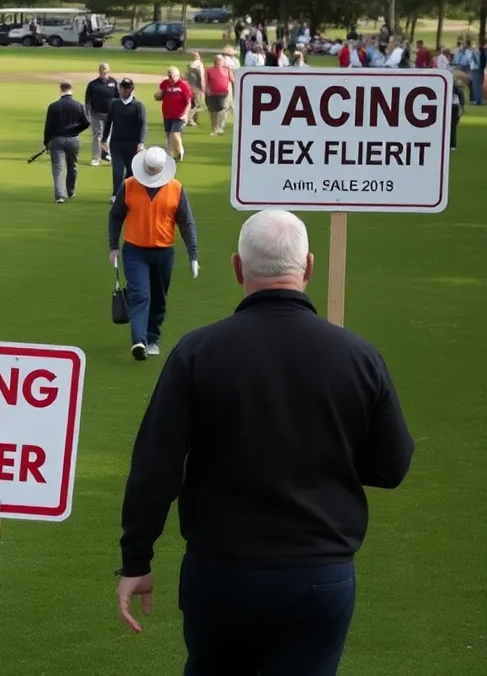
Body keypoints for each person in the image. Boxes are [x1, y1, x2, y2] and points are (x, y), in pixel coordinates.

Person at [116, 209, 414, 675]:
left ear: (238, 268)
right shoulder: (358, 356)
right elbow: (392, 466)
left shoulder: (197, 351)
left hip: (222, 573)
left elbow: (157, 465)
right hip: (320, 574)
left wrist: (136, 557)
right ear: (309, 267)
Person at [108, 147, 198, 360]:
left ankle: (153, 337)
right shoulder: (129, 186)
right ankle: (139, 340)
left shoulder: (176, 188)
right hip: (134, 251)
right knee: (140, 295)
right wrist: (113, 246)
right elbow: (115, 216)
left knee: (159, 298)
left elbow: (186, 223)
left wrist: (193, 254)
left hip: (164, 252)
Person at [43, 81, 90, 203]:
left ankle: (60, 195)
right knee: (72, 166)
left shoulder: (53, 106)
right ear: (71, 90)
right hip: (73, 140)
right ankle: (71, 191)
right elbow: (86, 122)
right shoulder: (78, 105)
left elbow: (48, 126)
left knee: (58, 168)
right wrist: (76, 130)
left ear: (60, 90)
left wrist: (46, 142)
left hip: (57, 140)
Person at [102, 77, 147, 203]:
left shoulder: (138, 106)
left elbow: (143, 124)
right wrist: (104, 140)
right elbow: (108, 122)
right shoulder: (114, 104)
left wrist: (141, 142)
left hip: (132, 144)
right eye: (122, 87)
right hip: (117, 143)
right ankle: (116, 194)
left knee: (131, 171)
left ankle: (128, 194)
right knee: (117, 170)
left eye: (127, 88)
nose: (124, 90)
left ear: (131, 89)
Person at [154, 66, 192, 162]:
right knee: (168, 134)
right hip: (167, 113)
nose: (170, 79)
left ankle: (179, 151)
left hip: (179, 115)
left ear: (177, 76)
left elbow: (188, 101)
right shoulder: (165, 84)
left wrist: (185, 114)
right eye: (169, 76)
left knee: (174, 133)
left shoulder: (183, 86)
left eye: (172, 77)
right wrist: (158, 95)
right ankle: (170, 153)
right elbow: (160, 94)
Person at [84, 63, 119, 167]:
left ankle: (108, 154)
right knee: (97, 136)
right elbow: (87, 100)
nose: (104, 73)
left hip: (110, 114)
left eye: (106, 71)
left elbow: (117, 97)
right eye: (103, 71)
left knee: (109, 136)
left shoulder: (113, 82)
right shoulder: (93, 84)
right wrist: (87, 113)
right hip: (96, 114)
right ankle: (96, 158)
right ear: (99, 72)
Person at [204, 54, 233, 136]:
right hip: (212, 94)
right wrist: (206, 90)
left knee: (223, 109)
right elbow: (205, 82)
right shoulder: (209, 70)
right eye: (217, 60)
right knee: (213, 112)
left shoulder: (227, 70)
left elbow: (232, 80)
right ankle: (214, 128)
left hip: (224, 94)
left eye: (220, 60)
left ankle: (220, 127)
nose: (218, 62)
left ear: (223, 62)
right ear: (214, 62)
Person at [184, 52, 205, 127]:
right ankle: (189, 119)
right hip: (196, 86)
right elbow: (201, 77)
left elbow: (186, 76)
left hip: (189, 86)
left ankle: (193, 119)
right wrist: (203, 87)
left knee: (192, 103)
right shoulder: (199, 64)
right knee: (197, 104)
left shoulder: (190, 64)